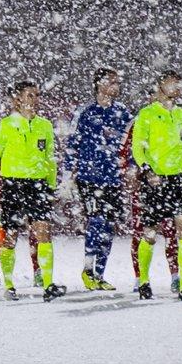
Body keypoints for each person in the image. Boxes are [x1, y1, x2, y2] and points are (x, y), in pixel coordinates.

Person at [0, 80, 63, 300]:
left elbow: (50, 159)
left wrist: (51, 186)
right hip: (13, 184)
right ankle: (9, 285)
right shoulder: (5, 125)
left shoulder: (44, 125)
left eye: (37, 95)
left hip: (38, 185)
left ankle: (48, 284)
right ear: (17, 99)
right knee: (10, 236)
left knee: (43, 233)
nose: (35, 100)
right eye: (30, 95)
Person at [131, 71, 182, 301]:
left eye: (179, 83)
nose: (177, 87)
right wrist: (147, 171)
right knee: (150, 233)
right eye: (173, 83)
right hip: (156, 180)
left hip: (179, 179)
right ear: (160, 86)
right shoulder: (147, 114)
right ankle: (144, 282)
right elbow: (138, 148)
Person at [65, 68, 132, 291]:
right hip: (89, 177)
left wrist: (131, 167)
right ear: (99, 84)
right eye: (111, 82)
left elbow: (131, 143)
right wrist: (68, 173)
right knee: (96, 220)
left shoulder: (122, 112)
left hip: (112, 177)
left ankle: (100, 274)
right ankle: (88, 269)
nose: (116, 86)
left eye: (117, 82)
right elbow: (72, 143)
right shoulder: (85, 112)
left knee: (109, 226)